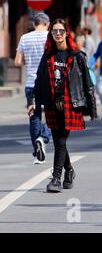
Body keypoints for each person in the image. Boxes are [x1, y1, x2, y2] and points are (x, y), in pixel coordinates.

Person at [29, 19, 97, 193]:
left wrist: (91, 109)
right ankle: (70, 171)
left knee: (60, 141)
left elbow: (87, 83)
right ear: (51, 35)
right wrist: (32, 101)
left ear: (67, 33)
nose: (57, 34)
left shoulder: (76, 56)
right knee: (59, 142)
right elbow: (38, 80)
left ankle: (56, 179)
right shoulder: (48, 56)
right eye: (54, 31)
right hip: (52, 104)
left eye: (60, 31)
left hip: (69, 103)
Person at [14, 13, 52, 164]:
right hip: (48, 83)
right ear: (47, 24)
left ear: (35, 24)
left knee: (34, 116)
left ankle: (37, 151)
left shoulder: (24, 37)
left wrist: (29, 63)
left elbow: (17, 62)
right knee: (52, 114)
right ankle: (43, 138)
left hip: (31, 83)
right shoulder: (50, 37)